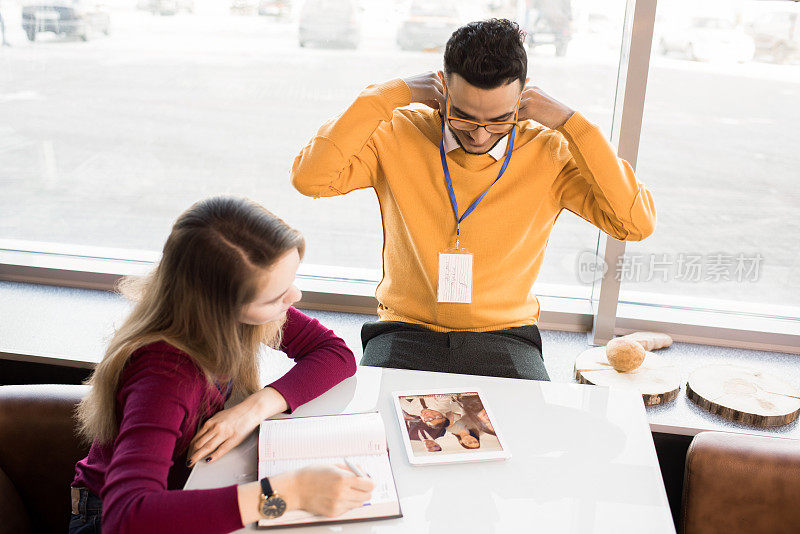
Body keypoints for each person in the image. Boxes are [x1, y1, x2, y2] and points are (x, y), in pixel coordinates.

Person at [291, 19, 656, 380]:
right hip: (404, 329)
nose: (480, 136)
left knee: (525, 436)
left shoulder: (551, 152)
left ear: (523, 96)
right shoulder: (398, 133)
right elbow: (311, 179)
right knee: (378, 431)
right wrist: (385, 96)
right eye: (463, 118)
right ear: (443, 90)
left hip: (506, 335)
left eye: (499, 121)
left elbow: (635, 223)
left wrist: (573, 124)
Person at [69, 196, 374, 534]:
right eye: (276, 297)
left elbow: (335, 354)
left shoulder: (235, 310)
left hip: (192, 485)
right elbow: (128, 518)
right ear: (219, 308)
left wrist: (254, 408)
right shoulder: (165, 375)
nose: (296, 296)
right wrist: (291, 493)